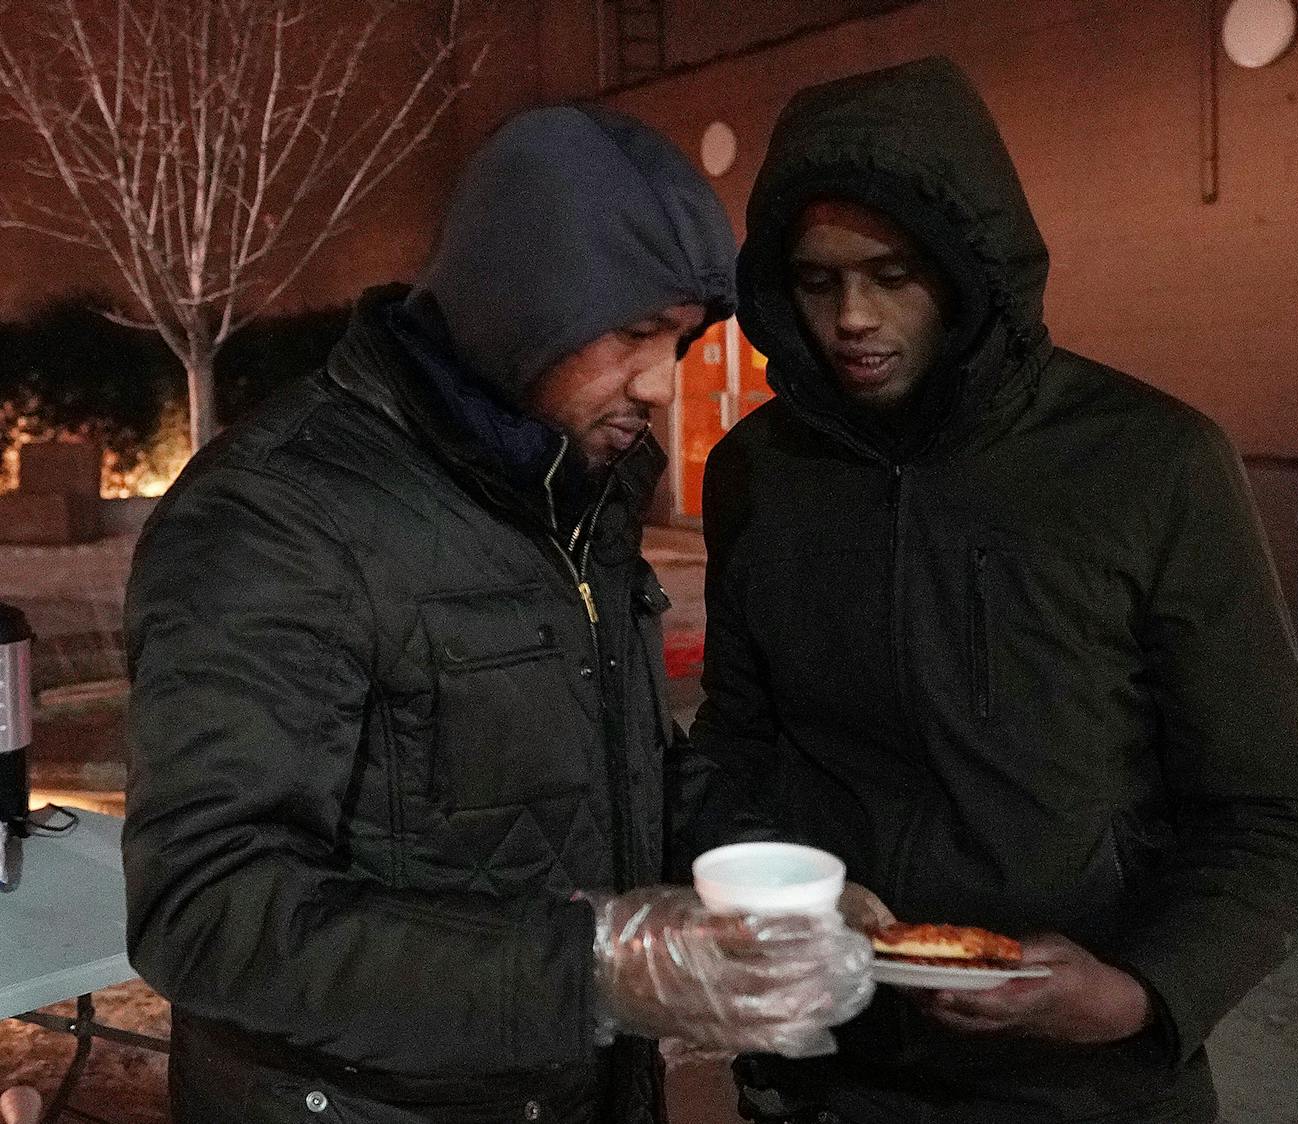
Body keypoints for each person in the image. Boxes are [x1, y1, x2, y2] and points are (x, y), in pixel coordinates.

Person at [122, 105, 870, 1124]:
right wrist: (591, 970)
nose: (663, 381)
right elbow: (210, 911)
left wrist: (767, 875)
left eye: (684, 340)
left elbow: (611, 765)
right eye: (636, 332)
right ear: (523, 307)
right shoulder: (275, 516)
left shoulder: (570, 486)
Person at [688, 57, 1298, 1123]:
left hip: (1078, 1088)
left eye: (892, 273)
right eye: (817, 281)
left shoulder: (1148, 463)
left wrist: (1141, 991)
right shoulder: (758, 472)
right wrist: (758, 894)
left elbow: (1273, 805)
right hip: (825, 1074)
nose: (851, 315)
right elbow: (736, 741)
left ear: (965, 268)